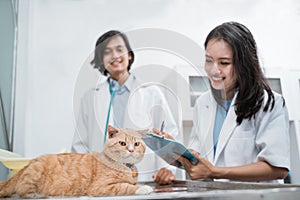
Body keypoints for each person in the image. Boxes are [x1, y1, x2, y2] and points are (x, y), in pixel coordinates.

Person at [154, 21, 290, 184]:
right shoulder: (203, 103)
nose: (214, 70)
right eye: (209, 60)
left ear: (244, 64)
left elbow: (277, 168)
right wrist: (174, 151)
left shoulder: (269, 103)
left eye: (224, 63)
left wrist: (216, 172)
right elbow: (198, 162)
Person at [71, 30, 181, 182]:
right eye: (107, 52)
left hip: (144, 179)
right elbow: (80, 145)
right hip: (100, 182)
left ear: (129, 55)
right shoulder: (90, 98)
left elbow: (169, 134)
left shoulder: (151, 93)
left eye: (119, 49)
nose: (114, 55)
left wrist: (166, 169)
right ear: (101, 60)